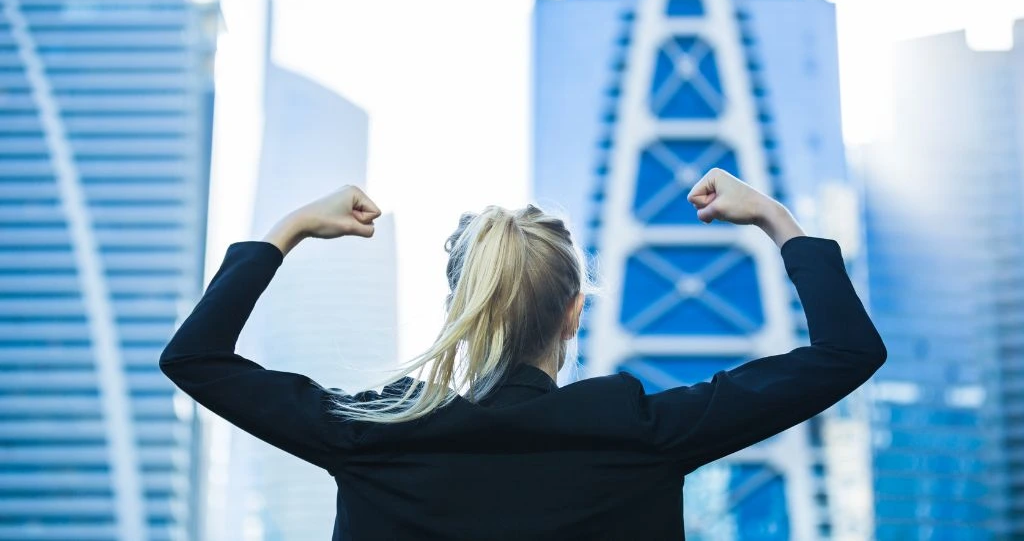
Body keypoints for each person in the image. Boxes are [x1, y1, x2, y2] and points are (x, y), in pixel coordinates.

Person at [159, 167, 887, 540]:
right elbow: (847, 351)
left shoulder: (374, 432)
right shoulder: (641, 432)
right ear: (575, 312)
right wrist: (774, 216)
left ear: (462, 310)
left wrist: (287, 228)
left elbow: (195, 359)